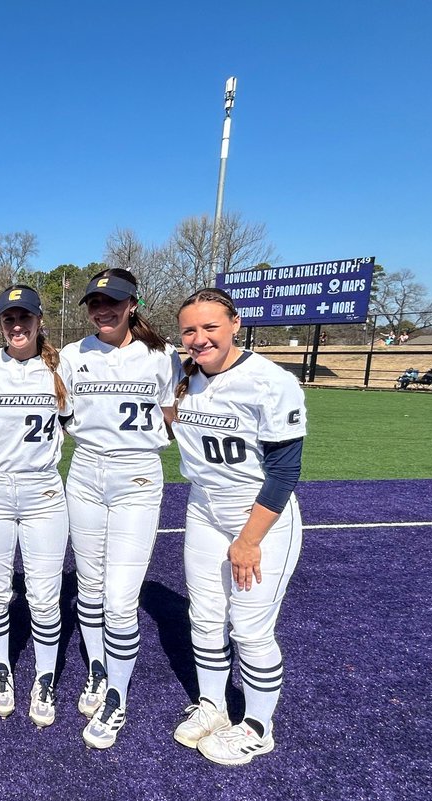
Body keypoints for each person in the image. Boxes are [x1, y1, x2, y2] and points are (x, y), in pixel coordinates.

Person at [172, 287, 306, 766]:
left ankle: (257, 725)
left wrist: (249, 542)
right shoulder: (182, 372)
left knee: (249, 628)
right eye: (190, 329)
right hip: (203, 507)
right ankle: (213, 705)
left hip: (258, 516)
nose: (199, 337)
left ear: (235, 324)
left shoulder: (270, 381)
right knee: (204, 616)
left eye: (210, 326)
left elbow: (286, 472)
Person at [60, 268, 179, 751]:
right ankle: (96, 668)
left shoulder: (163, 356)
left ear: (133, 303)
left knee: (120, 598)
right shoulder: (72, 355)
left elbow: (172, 416)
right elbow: (62, 414)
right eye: (95, 302)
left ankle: (117, 695)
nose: (102, 310)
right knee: (88, 586)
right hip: (85, 472)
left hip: (136, 475)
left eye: (113, 301)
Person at [0, 285, 72, 727]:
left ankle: (46, 677)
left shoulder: (60, 365)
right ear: (0, 324)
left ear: (38, 321)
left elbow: (73, 420)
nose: (17, 325)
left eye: (25, 317)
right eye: (9, 319)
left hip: (43, 490)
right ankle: (1, 670)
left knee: (45, 594)